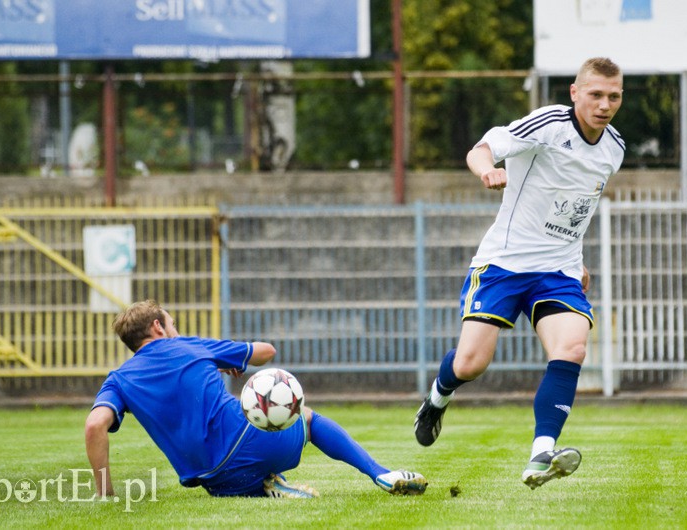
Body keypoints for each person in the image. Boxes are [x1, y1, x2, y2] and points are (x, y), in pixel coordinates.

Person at [413, 57, 624, 490]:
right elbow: (481, 148)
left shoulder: (614, 148)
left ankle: (540, 454)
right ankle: (437, 398)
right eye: (596, 94)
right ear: (575, 92)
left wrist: (576, 258)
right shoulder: (547, 124)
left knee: (572, 349)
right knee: (471, 363)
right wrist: (487, 170)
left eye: (614, 96)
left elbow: (576, 205)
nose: (605, 105)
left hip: (558, 271)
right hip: (504, 264)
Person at [86, 299, 427, 498]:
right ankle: (380, 473)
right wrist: (227, 360)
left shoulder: (120, 379)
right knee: (307, 417)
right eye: (173, 324)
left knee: (240, 464)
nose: (175, 330)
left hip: (216, 482)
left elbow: (94, 426)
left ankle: (268, 487)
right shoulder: (190, 346)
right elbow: (266, 352)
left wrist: (106, 494)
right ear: (159, 326)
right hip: (255, 446)